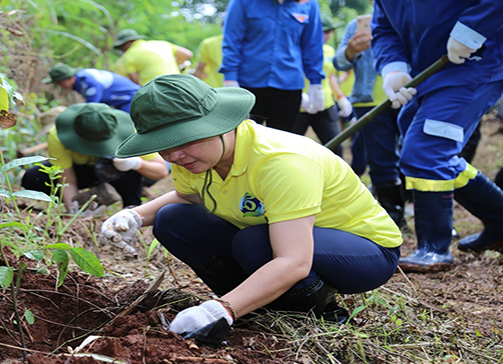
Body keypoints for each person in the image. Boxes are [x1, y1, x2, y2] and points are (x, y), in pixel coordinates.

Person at [101, 75, 402, 340]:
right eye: (163, 145)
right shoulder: (194, 157)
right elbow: (187, 197)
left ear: (218, 124)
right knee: (172, 220)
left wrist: (220, 310)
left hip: (364, 252)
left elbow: (294, 260)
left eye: (184, 140)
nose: (174, 154)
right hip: (273, 237)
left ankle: (318, 313)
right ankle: (258, 306)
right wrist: (134, 216)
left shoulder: (282, 162)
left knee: (255, 242)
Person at [371, 0, 503, 272]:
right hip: (424, 75)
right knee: (430, 154)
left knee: (426, 152)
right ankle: (499, 220)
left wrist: (471, 30)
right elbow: (384, 28)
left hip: (473, 65)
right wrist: (393, 66)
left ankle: (434, 248)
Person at [21, 103, 168, 212]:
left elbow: (161, 170)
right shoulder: (58, 135)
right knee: (34, 177)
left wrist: (136, 163)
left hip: (118, 171)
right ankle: (96, 196)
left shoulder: (130, 132)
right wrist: (74, 209)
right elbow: (67, 179)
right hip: (83, 172)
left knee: (133, 171)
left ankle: (131, 209)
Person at [333, 14, 406, 227]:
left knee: (416, 156)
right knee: (381, 160)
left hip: (409, 94)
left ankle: (427, 214)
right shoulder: (356, 25)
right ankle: (394, 216)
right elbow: (339, 63)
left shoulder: (414, 16)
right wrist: (352, 50)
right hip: (370, 101)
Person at [220, 0, 324, 132]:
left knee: (283, 142)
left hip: (289, 86)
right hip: (247, 85)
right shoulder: (243, 2)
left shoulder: (309, 4)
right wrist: (230, 78)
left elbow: (312, 45)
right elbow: (232, 40)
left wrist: (316, 83)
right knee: (242, 139)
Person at [292, 17, 352, 158]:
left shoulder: (329, 51)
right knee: (291, 147)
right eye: (324, 32)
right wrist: (298, 93)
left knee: (336, 147)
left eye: (329, 32)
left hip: (325, 104)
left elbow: (330, 76)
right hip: (301, 104)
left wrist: (341, 97)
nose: (328, 36)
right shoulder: (296, 49)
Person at [42, 63, 141, 113]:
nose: (60, 86)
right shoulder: (78, 83)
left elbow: (93, 108)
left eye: (60, 82)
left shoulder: (88, 81)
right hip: (120, 103)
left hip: (131, 99)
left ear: (70, 78)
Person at [113, 29, 193, 86]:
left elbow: (135, 82)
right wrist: (175, 64)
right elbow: (187, 54)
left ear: (127, 43)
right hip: (179, 85)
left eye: (121, 47)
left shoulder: (128, 56)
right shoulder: (161, 44)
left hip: (154, 90)